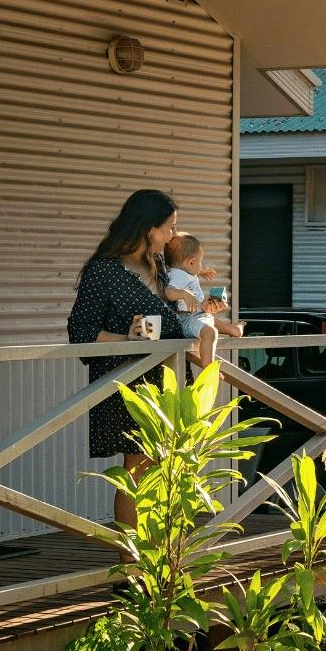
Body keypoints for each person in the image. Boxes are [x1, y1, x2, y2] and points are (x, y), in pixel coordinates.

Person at [67, 189, 194, 529]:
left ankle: (161, 559)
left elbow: (174, 317)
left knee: (169, 470)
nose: (171, 237)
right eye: (169, 227)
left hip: (169, 381)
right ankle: (132, 568)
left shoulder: (159, 267)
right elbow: (81, 332)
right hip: (129, 385)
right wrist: (127, 338)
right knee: (137, 472)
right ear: (149, 228)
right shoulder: (103, 271)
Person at [164, 232, 244, 367]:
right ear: (191, 262)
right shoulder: (180, 276)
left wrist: (201, 271)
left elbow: (185, 269)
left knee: (213, 321)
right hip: (188, 318)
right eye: (200, 261)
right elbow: (168, 292)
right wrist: (183, 293)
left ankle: (234, 329)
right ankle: (208, 368)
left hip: (196, 315)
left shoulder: (178, 271)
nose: (201, 265)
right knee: (211, 332)